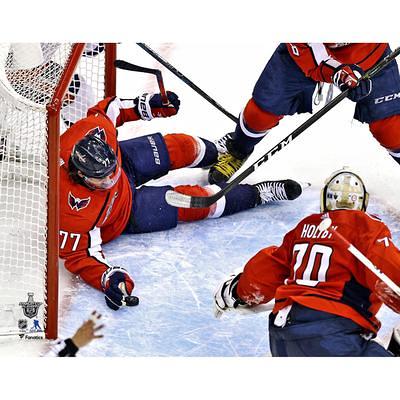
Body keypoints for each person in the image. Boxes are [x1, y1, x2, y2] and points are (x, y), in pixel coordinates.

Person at [60, 90, 306, 311]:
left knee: (179, 146)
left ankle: (220, 153)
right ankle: (256, 195)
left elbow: (110, 109)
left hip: (127, 162)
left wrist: (147, 105)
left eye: (110, 173)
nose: (110, 181)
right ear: (80, 174)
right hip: (125, 213)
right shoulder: (68, 210)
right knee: (197, 204)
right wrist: (108, 279)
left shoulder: (91, 132)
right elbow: (78, 256)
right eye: (102, 181)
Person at [214, 167, 400, 356]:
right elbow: (393, 273)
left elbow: (266, 272)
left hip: (282, 339)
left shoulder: (306, 226)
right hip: (332, 337)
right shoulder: (367, 227)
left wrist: (236, 292)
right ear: (362, 202)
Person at [209, 43, 400, 184]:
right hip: (305, 55)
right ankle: (238, 150)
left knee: (392, 129)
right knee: (261, 113)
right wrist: (338, 72)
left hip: (370, 52)